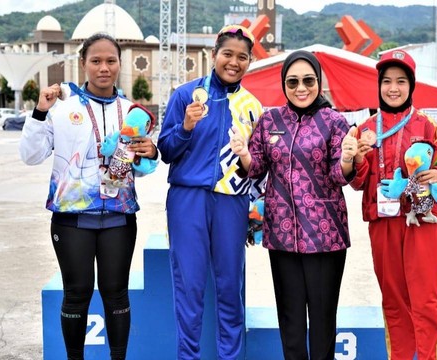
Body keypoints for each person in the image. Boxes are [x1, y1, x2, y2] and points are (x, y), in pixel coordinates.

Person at [19, 32, 159, 360]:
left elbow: (143, 167)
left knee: (116, 294)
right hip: (71, 220)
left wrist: (149, 152)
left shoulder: (132, 111)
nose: (103, 68)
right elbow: (30, 155)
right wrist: (40, 111)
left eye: (111, 61)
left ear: (120, 65)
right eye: (95, 61)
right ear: (83, 64)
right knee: (77, 294)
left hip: (119, 219)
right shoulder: (62, 108)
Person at [230, 50, 358, 360]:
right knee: (290, 320)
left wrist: (347, 159)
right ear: (284, 84)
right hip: (282, 236)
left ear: (319, 82)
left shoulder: (334, 121)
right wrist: (244, 155)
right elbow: (257, 166)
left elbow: (338, 176)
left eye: (308, 80)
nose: (301, 88)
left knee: (323, 318)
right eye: (293, 81)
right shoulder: (270, 120)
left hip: (326, 237)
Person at [156, 25, 264, 359]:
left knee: (231, 286)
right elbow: (166, 151)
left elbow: (257, 166)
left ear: (249, 62)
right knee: (189, 287)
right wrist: (187, 127)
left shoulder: (253, 107)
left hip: (232, 203)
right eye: (227, 54)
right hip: (188, 199)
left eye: (242, 57)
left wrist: (256, 211)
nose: (234, 62)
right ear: (213, 55)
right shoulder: (186, 95)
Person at [349, 49, 437, 360]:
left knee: (425, 300)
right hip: (383, 223)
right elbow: (358, 183)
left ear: (411, 85)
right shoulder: (365, 129)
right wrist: (357, 156)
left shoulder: (428, 127)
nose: (393, 88)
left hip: (422, 221)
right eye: (386, 81)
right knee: (393, 301)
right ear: (378, 85)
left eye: (400, 81)